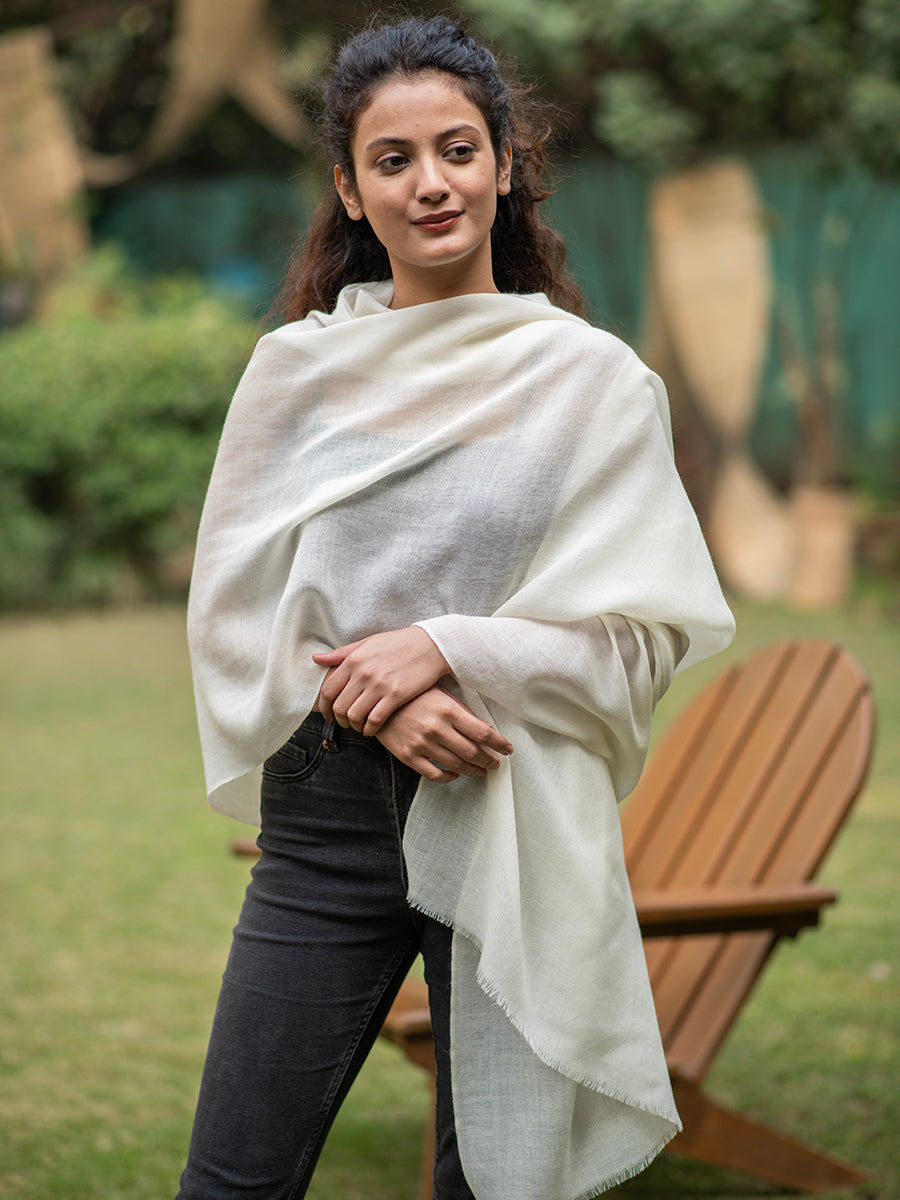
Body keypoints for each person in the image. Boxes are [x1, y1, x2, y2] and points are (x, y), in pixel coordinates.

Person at [180, 15, 734, 1200]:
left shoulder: (589, 381)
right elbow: (232, 616)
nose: (430, 183)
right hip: (327, 811)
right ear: (351, 189)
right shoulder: (296, 374)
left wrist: (446, 648)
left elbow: (637, 644)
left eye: (457, 150)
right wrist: (377, 701)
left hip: (509, 798)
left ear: (504, 164)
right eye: (393, 160)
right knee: (232, 1177)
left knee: (492, 1182)